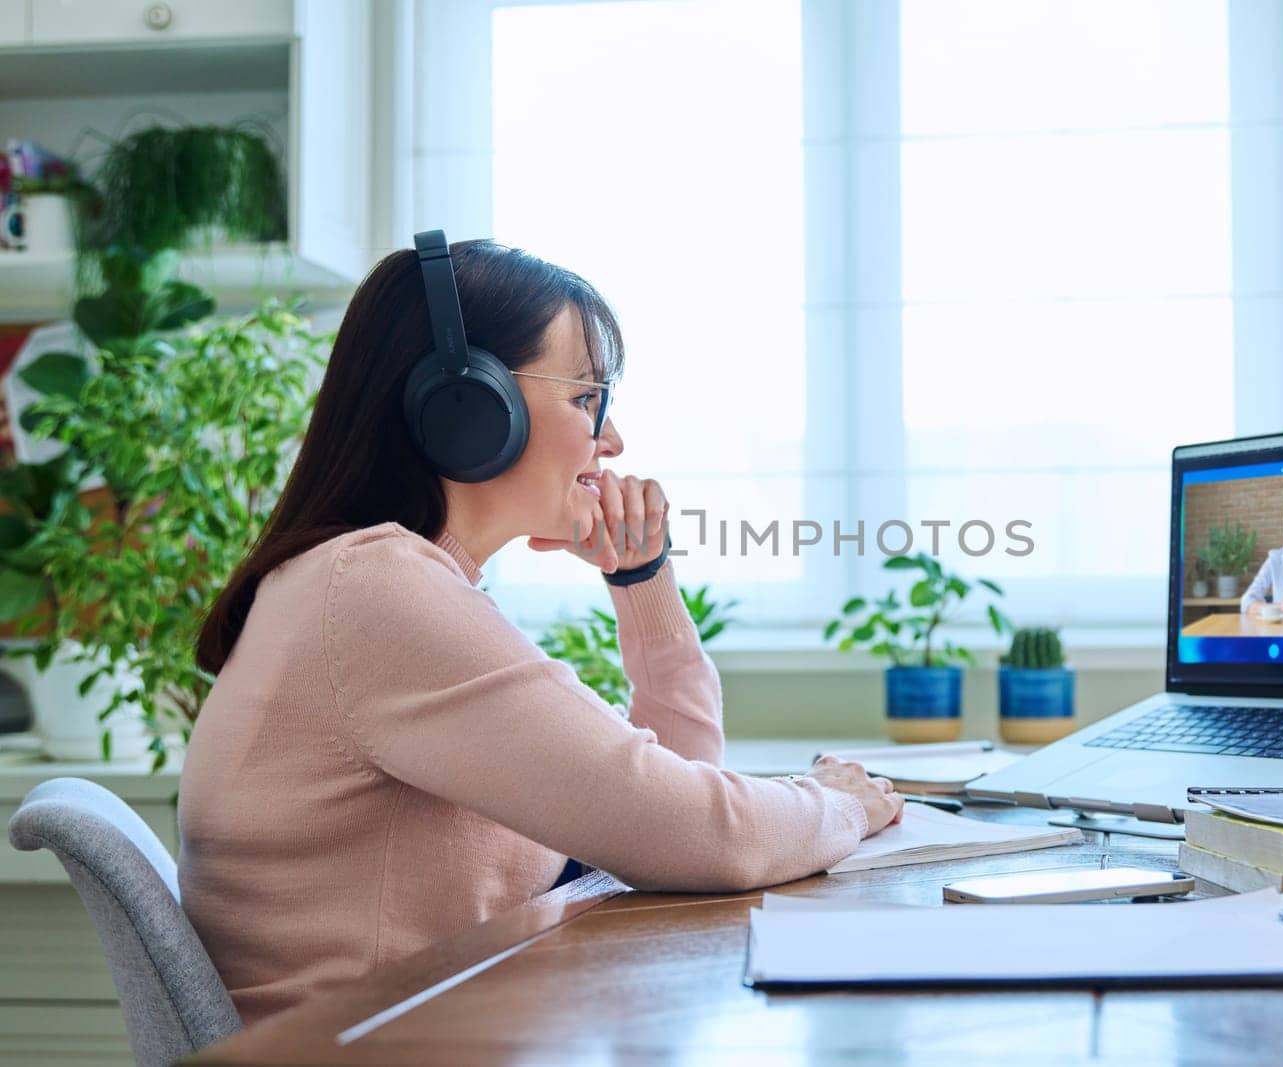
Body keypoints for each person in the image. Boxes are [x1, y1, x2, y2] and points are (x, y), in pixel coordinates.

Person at [178, 239, 902, 1024]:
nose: (613, 440)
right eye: (588, 396)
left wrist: (642, 579)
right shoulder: (374, 591)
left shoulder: (374, 582)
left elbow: (667, 821)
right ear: (467, 408)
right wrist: (841, 804)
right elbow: (703, 835)